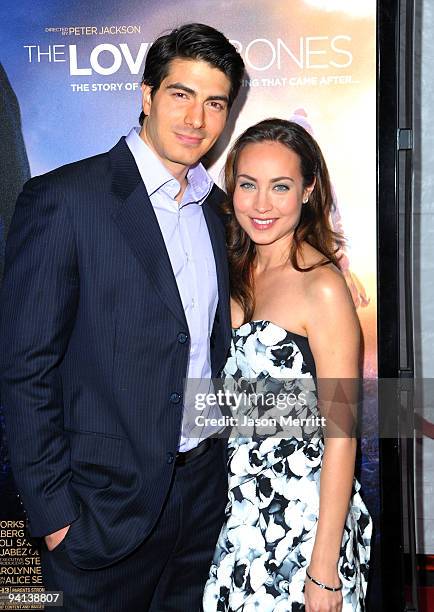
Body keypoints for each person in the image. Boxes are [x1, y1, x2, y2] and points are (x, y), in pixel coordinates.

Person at [0, 23, 244, 611]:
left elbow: (204, 348)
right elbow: (24, 367)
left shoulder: (213, 209)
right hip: (98, 510)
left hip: (200, 501)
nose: (196, 119)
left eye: (215, 102)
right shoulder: (63, 199)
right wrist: (56, 514)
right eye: (181, 94)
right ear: (146, 94)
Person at [202, 119, 372, 611]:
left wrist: (324, 567)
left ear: (308, 189)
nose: (261, 204)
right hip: (231, 514)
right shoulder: (230, 267)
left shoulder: (321, 286)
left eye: (281, 187)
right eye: (248, 185)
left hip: (301, 522)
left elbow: (342, 431)